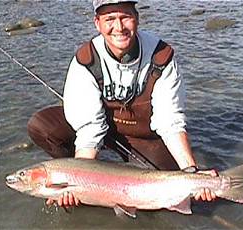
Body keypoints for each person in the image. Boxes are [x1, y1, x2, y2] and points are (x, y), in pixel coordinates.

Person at [27, 0, 217, 208]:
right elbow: (89, 127)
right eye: (109, 19)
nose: (119, 27)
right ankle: (93, 190)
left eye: (125, 17)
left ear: (137, 18)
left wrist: (191, 172)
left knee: (170, 183)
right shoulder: (86, 59)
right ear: (97, 23)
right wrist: (76, 181)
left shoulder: (161, 56)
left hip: (143, 135)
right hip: (104, 128)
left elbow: (169, 120)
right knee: (42, 125)